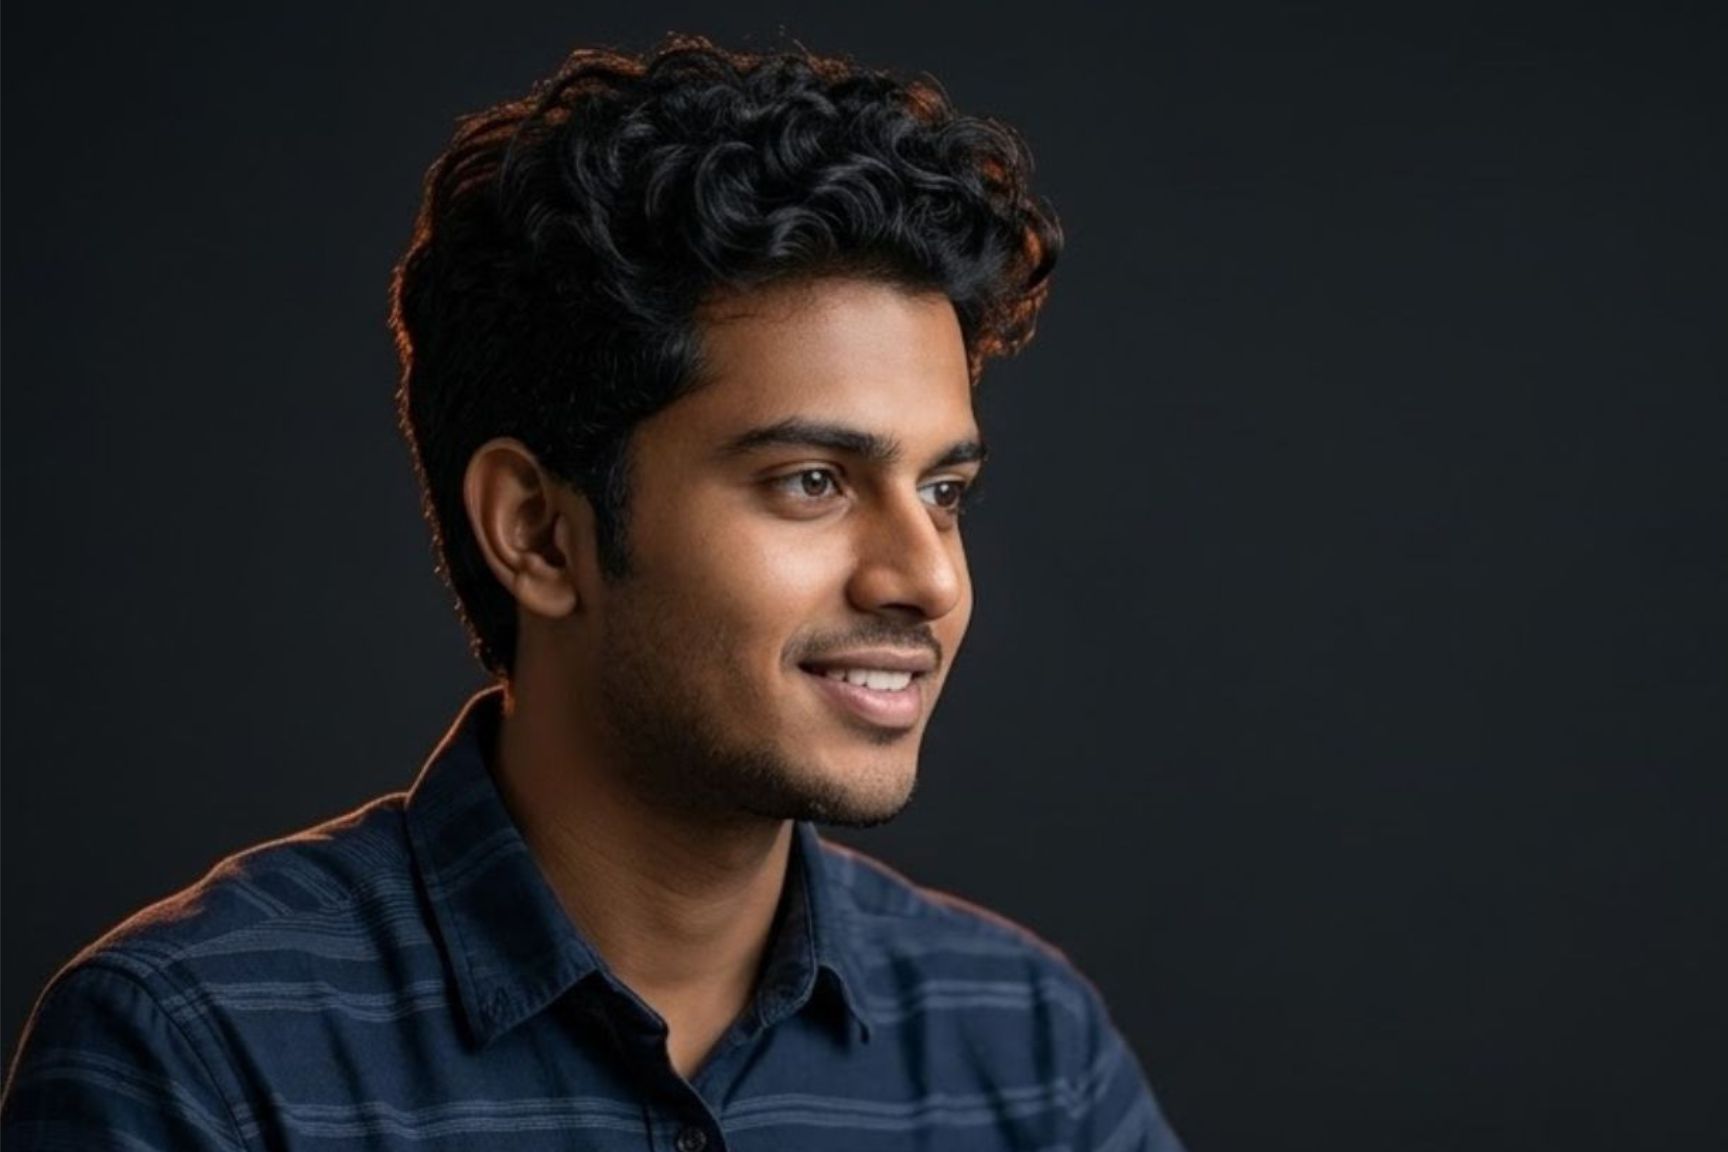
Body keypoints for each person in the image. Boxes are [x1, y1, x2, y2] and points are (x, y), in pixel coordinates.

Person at [2, 35, 1186, 1151]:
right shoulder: (201, 1055)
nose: (926, 577)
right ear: (538, 532)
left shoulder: (1028, 1049)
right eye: (814, 481)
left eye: (943, 490)